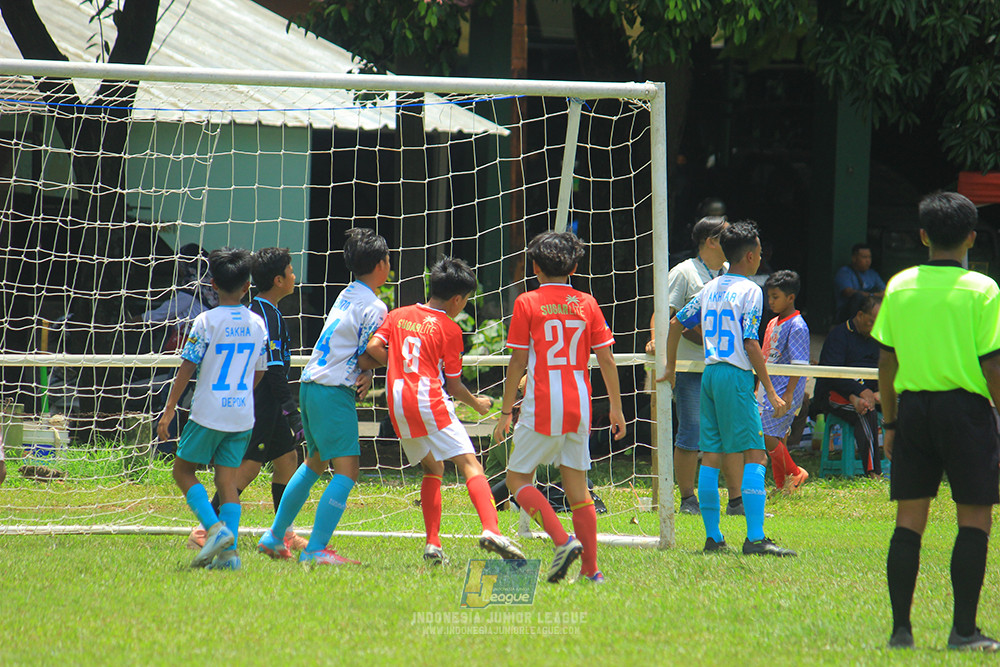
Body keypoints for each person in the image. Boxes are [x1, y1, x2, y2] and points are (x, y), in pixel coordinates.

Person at [874, 192, 1000, 651]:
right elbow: (992, 367)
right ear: (971, 237)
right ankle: (963, 631)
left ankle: (900, 631)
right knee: (974, 521)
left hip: (914, 411)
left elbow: (886, 362)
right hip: (966, 412)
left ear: (922, 235)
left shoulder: (900, 285)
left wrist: (889, 423)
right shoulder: (983, 289)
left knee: (909, 519)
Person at [366, 257, 525, 565]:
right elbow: (452, 386)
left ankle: (433, 544)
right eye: (464, 301)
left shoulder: (398, 315)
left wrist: (398, 366)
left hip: (397, 403)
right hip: (428, 399)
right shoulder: (449, 329)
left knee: (433, 468)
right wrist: (478, 404)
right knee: (470, 466)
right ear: (457, 299)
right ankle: (492, 530)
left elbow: (374, 348)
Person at [494, 231, 627, 584]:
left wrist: (507, 410)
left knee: (516, 479)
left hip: (542, 404)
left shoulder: (527, 302)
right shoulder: (587, 303)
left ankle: (563, 541)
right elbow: (607, 359)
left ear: (534, 266)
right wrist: (615, 407)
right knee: (579, 491)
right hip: (579, 405)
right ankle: (591, 571)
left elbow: (518, 361)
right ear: (575, 266)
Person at [662, 221, 796, 557]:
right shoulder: (750, 290)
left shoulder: (712, 287)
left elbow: (675, 323)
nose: (761, 258)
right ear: (751, 256)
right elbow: (751, 343)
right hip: (735, 376)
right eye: (761, 253)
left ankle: (713, 538)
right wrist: (770, 389)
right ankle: (754, 538)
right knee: (755, 454)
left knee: (711, 457)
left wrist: (669, 366)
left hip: (710, 374)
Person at [257, 228, 389, 565]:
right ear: (379, 265)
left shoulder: (347, 294)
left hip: (310, 384)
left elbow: (351, 349)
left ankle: (274, 535)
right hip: (332, 391)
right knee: (347, 471)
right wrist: (397, 361)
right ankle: (316, 549)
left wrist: (367, 369)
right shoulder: (375, 306)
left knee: (314, 463)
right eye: (388, 260)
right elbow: (365, 353)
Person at [187, 247, 309, 552]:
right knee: (249, 467)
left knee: (288, 460)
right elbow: (274, 371)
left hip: (263, 402)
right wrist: (291, 412)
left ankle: (285, 532)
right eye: (291, 271)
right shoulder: (265, 316)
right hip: (262, 404)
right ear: (279, 280)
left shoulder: (265, 311)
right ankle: (205, 530)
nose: (295, 276)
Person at [157, 247, 268, 571]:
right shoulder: (257, 323)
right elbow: (260, 371)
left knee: (182, 471)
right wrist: (242, 392)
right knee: (226, 481)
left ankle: (215, 529)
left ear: (213, 284)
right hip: (242, 414)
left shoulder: (206, 321)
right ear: (247, 286)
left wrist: (169, 408)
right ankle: (229, 558)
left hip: (208, 412)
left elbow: (187, 367)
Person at [647, 216, 745, 516]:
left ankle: (736, 500)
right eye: (727, 235)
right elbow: (663, 314)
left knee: (730, 433)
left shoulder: (732, 272)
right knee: (690, 431)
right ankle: (689, 498)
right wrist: (656, 343)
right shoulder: (684, 273)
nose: (733, 241)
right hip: (690, 368)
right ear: (711, 241)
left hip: (725, 366)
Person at [815, 296, 883, 477]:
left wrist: (880, 392)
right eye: (870, 322)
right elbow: (832, 375)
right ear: (860, 315)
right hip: (833, 394)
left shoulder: (880, 337)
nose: (874, 328)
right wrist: (859, 392)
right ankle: (873, 472)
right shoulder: (839, 336)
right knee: (866, 411)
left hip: (872, 392)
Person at [759, 270, 810, 492]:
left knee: (767, 434)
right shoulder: (772, 322)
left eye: (775, 297)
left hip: (784, 390)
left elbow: (800, 364)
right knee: (776, 436)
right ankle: (784, 485)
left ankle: (795, 472)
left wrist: (789, 393)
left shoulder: (797, 325)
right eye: (768, 297)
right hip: (768, 387)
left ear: (791, 297)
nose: (770, 301)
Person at [834, 243, 885, 322]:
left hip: (869, 314)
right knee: (857, 297)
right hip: (846, 316)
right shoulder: (845, 272)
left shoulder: (872, 274)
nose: (868, 260)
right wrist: (871, 295)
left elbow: (885, 291)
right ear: (854, 258)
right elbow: (848, 292)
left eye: (869, 257)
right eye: (864, 257)